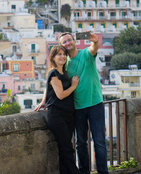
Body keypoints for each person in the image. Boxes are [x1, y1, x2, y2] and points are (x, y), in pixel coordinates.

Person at [58, 32, 108, 174]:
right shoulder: (65, 64)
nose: (68, 43)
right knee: (80, 143)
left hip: (95, 103)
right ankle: (84, 172)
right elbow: (53, 79)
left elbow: (94, 48)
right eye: (64, 42)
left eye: (69, 40)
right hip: (78, 107)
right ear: (62, 46)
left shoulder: (86, 54)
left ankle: (103, 172)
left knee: (99, 142)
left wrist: (95, 40)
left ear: (74, 40)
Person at [35, 45, 79, 174]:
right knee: (66, 148)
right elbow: (60, 95)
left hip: (68, 114)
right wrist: (74, 86)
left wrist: (43, 100)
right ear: (53, 57)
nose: (62, 56)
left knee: (65, 148)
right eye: (59, 54)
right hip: (57, 115)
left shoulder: (63, 73)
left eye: (64, 54)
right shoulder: (53, 72)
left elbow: (48, 88)